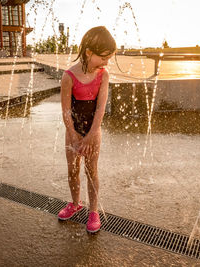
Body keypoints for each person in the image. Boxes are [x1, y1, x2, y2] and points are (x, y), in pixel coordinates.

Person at [58, 26, 116, 233]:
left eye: (109, 58)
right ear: (89, 52)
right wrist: (74, 136)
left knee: (91, 171)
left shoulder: (103, 75)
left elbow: (101, 108)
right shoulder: (68, 76)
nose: (107, 62)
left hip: (93, 131)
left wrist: (91, 136)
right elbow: (66, 111)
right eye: (104, 57)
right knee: (73, 171)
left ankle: (93, 211)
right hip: (73, 131)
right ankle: (75, 203)